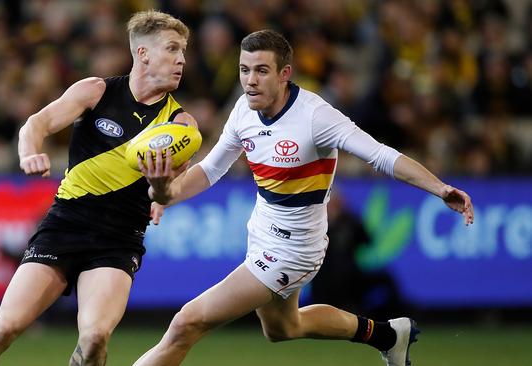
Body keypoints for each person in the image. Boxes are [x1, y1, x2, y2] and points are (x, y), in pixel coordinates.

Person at [135, 30, 474, 366]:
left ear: (285, 74)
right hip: (262, 233)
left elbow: (381, 156)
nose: (250, 81)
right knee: (283, 327)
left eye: (261, 70)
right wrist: (169, 195)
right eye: (244, 70)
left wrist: (439, 188)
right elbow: (211, 169)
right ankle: (388, 335)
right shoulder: (243, 109)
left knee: (186, 322)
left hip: (293, 250)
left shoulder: (315, 116)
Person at [0, 10, 195, 366]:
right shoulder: (96, 91)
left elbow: (165, 194)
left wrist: (160, 190)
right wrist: (29, 153)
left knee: (95, 337)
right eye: (172, 49)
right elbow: (36, 123)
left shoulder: (179, 127)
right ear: (142, 53)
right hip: (64, 226)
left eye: (184, 51)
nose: (182, 60)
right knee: (2, 330)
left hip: (118, 238)